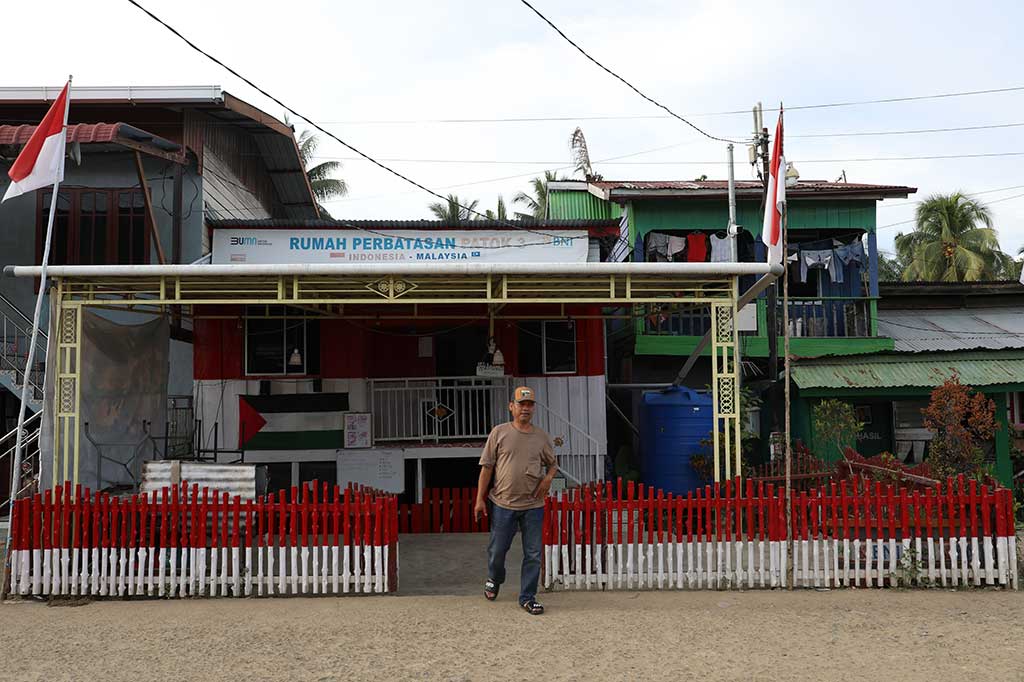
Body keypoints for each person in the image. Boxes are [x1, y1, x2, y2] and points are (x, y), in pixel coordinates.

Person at [474, 386, 557, 615]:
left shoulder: (541, 437)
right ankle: (494, 577)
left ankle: (528, 597)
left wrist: (548, 479)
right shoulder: (499, 433)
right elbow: (487, 468)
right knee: (497, 550)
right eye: (521, 404)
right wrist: (479, 500)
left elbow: (553, 463)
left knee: (533, 554)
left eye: (530, 404)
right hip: (503, 504)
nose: (525, 408)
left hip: (533, 505)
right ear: (512, 407)